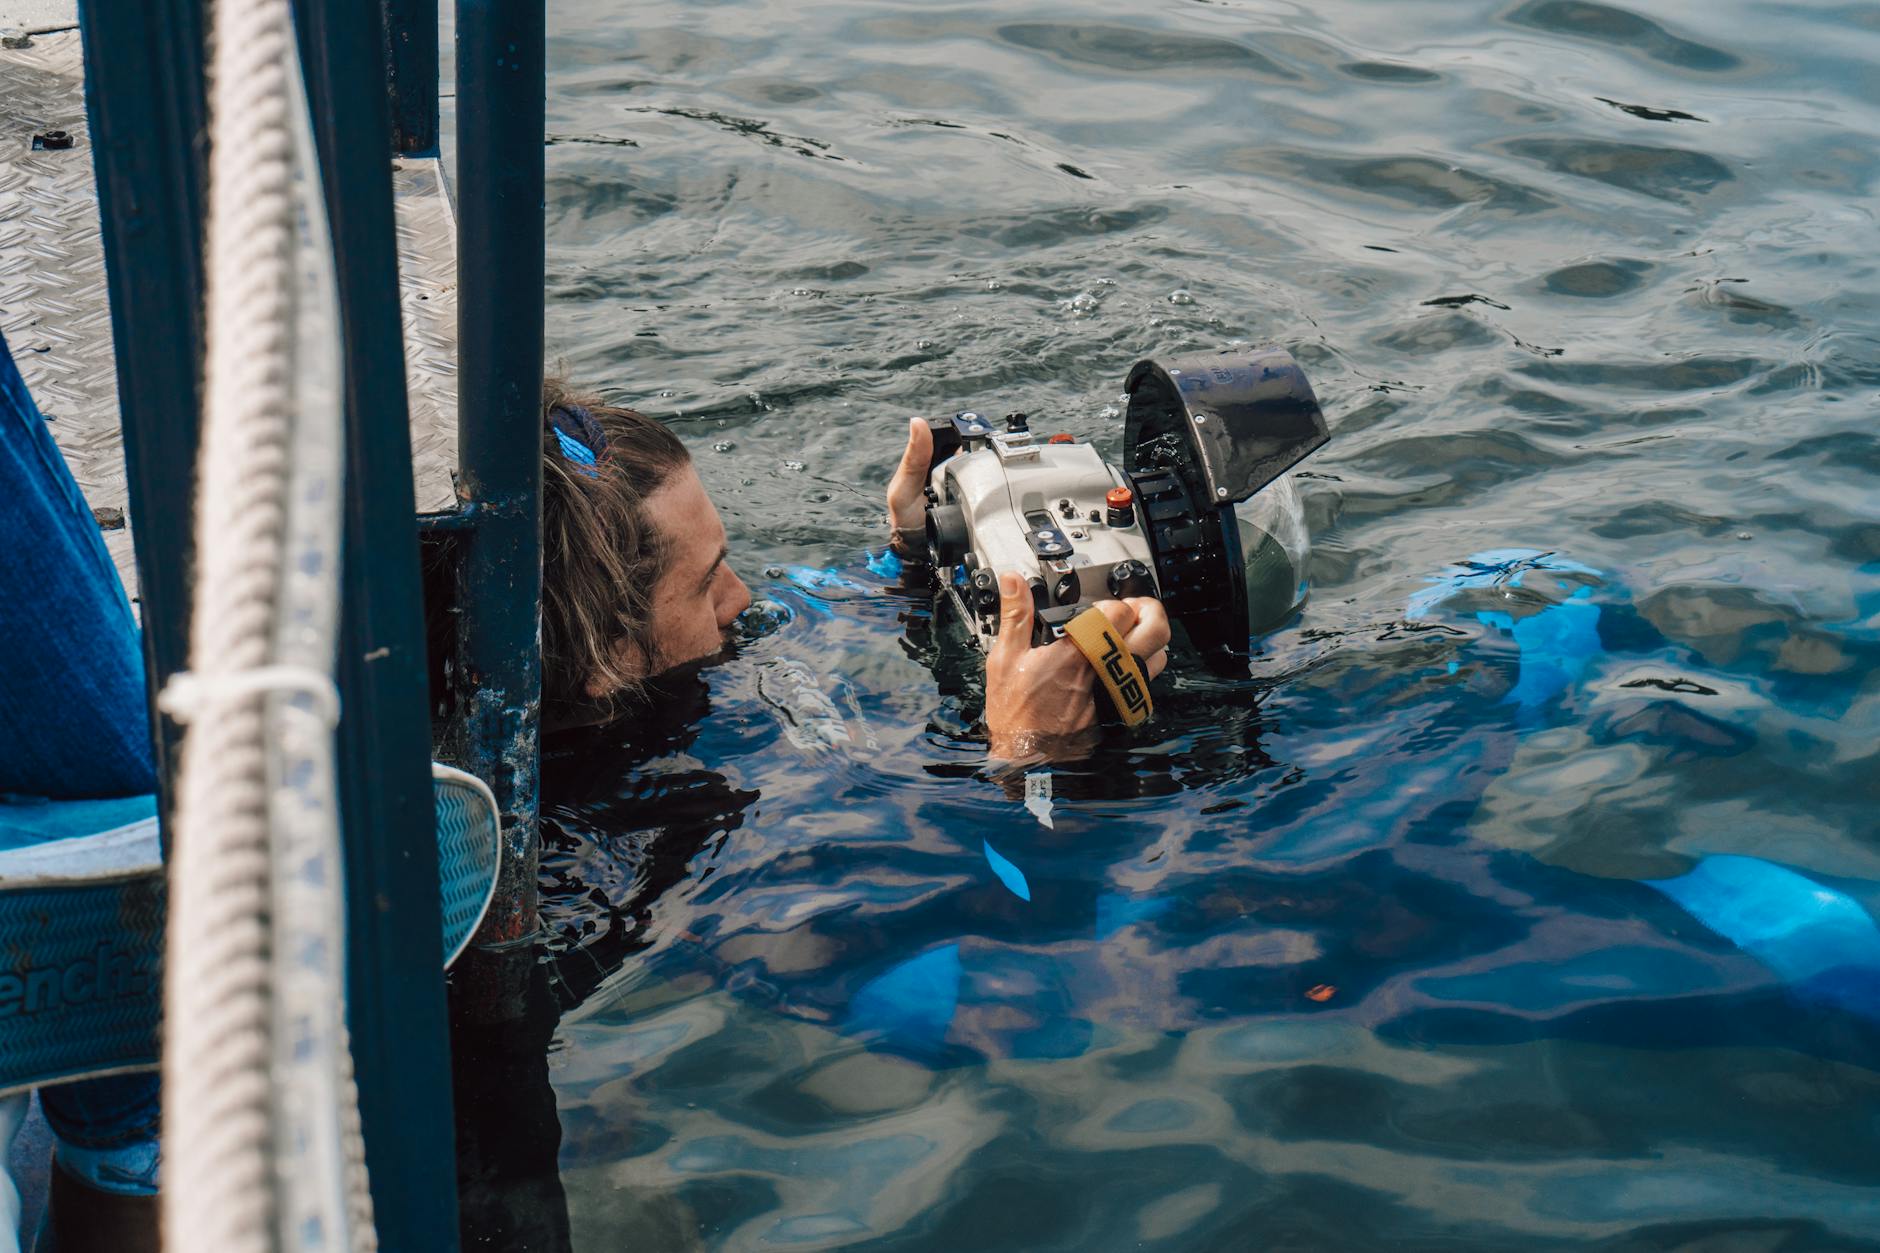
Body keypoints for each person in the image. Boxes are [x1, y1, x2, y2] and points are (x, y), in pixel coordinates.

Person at [537, 382, 1171, 755]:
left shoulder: (678, 667)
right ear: (605, 659)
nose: (741, 597)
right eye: (704, 585)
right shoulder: (609, 841)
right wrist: (1027, 749)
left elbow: (824, 608)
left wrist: (915, 555)